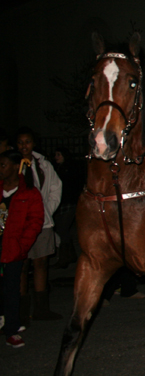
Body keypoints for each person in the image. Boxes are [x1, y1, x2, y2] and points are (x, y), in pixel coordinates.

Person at [16, 127, 62, 320]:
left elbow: (55, 187)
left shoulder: (42, 163)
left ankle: (41, 309)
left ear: (33, 143)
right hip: (19, 224)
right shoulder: (10, 163)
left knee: (41, 262)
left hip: (41, 222)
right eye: (20, 142)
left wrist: (46, 211)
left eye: (27, 142)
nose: (24, 146)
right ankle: (20, 311)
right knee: (21, 265)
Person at [1, 149, 44, 348]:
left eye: (3, 165)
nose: (0, 169)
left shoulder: (28, 193)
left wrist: (22, 245)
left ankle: (11, 328)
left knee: (11, 289)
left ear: (15, 167)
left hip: (12, 249)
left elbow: (35, 221)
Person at [52, 147, 84, 268]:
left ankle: (65, 257)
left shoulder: (70, 169)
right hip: (62, 203)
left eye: (59, 154)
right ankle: (70, 255)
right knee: (62, 229)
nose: (56, 157)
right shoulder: (58, 168)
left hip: (69, 203)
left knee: (62, 229)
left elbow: (72, 186)